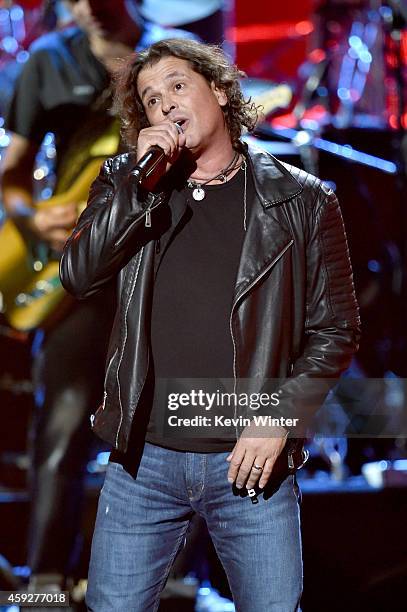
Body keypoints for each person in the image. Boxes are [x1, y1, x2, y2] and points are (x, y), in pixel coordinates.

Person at [60, 38, 361, 611]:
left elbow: (336, 329)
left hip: (249, 462)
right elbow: (78, 275)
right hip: (143, 461)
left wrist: (277, 418)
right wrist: (135, 189)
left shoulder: (302, 201)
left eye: (177, 86)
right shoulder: (128, 182)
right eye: (150, 99)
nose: (166, 104)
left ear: (220, 92)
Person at [1, 0, 195, 593]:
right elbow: (11, 178)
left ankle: (164, 579)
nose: (86, 6)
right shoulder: (48, 62)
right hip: (83, 271)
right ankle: (47, 578)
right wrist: (34, 220)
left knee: (172, 430)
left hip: (166, 266)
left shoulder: (175, 59)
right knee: (61, 425)